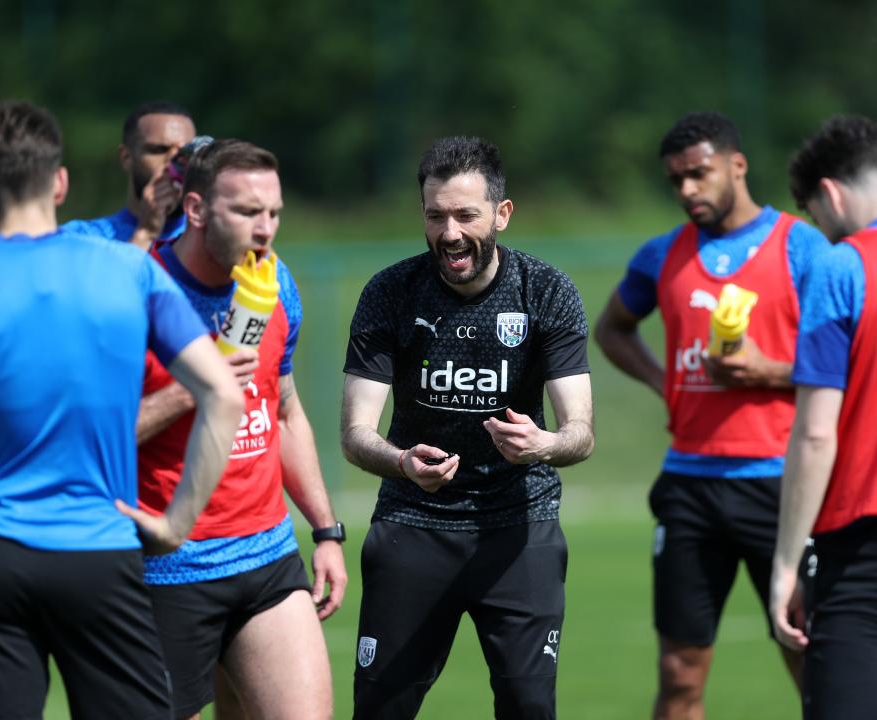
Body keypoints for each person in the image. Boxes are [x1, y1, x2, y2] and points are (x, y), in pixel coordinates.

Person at [0, 101, 243, 719]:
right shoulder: (129, 272)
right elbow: (222, 393)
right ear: (59, 183)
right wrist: (175, 524)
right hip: (99, 548)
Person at [342, 135, 594, 719]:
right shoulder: (390, 292)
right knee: (379, 710)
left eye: (465, 215)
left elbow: (580, 430)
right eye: (435, 216)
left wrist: (543, 445)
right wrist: (403, 462)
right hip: (412, 525)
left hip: (519, 528)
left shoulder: (546, 292)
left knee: (529, 706)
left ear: (501, 215)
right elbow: (356, 433)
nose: (449, 233)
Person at [594, 111, 829, 719]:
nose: (688, 191)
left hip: (783, 484)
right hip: (690, 486)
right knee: (679, 673)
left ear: (737, 165)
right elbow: (613, 329)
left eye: (699, 174)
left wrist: (770, 372)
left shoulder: (800, 245)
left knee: (813, 663)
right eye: (676, 181)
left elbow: (850, 355)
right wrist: (661, 381)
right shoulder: (661, 255)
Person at [136, 138, 347, 720]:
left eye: (274, 212)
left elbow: (283, 413)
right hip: (163, 570)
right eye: (248, 212)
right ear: (198, 210)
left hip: (266, 560)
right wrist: (191, 390)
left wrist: (326, 531)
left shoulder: (275, 284)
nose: (266, 229)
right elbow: (91, 435)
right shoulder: (138, 292)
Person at [771, 115, 877, 719]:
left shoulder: (841, 267)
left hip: (871, 546)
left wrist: (786, 564)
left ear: (830, 193)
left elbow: (815, 433)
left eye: (816, 216)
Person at [64, 100, 196, 249]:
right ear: (126, 157)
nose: (173, 163)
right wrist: (145, 234)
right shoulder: (80, 237)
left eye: (185, 153)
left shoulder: (217, 237)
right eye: (158, 150)